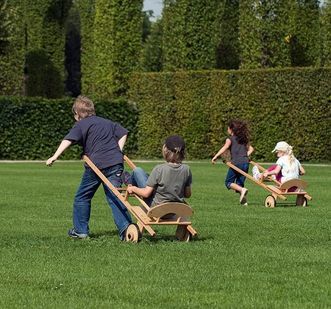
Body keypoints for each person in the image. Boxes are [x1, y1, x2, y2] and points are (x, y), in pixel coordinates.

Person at [46, 95, 132, 240]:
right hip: (116, 163)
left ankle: (81, 231)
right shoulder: (107, 122)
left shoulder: (81, 124)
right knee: (115, 196)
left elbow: (68, 139)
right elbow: (123, 133)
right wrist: (118, 150)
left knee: (82, 196)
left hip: (96, 165)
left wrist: (55, 156)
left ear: (77, 114)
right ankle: (126, 230)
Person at [126, 135, 192, 208]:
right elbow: (187, 194)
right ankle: (132, 180)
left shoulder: (159, 169)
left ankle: (129, 182)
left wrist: (133, 189)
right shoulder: (187, 169)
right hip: (175, 209)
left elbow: (146, 194)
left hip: (157, 208)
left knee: (137, 171)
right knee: (145, 175)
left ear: (165, 150)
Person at [211, 120, 254, 205]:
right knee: (239, 184)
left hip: (236, 163)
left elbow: (225, 147)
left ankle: (242, 190)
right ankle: (244, 202)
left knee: (228, 182)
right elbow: (251, 149)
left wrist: (215, 156)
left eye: (228, 128)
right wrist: (245, 156)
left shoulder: (230, 139)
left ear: (231, 129)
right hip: (245, 163)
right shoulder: (243, 139)